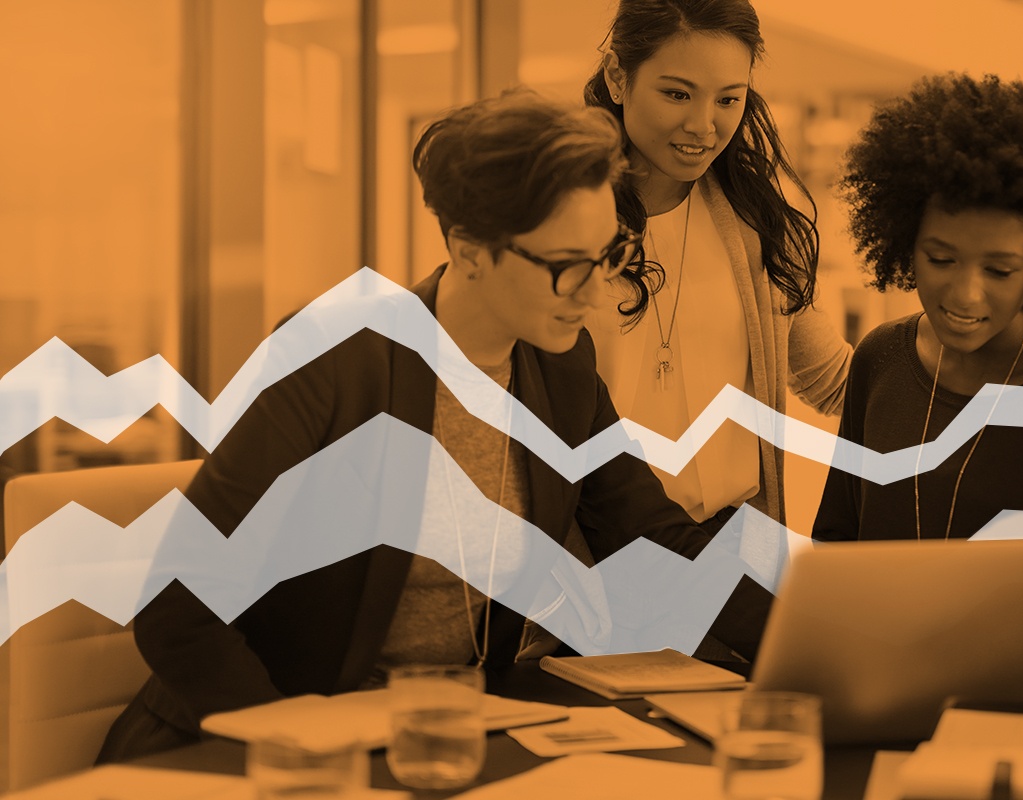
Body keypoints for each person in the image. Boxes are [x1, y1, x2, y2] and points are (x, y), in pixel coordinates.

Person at [96, 90, 772, 762]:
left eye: (607, 258)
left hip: (441, 740)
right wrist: (302, 751)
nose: (596, 295)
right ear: (470, 249)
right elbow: (177, 607)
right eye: (567, 268)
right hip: (260, 753)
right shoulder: (334, 360)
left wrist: (799, 637)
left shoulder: (559, 372)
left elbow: (651, 539)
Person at [813, 73, 1023, 544]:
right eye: (941, 259)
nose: (966, 294)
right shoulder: (880, 358)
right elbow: (835, 541)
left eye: (999, 271)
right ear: (905, 243)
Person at [581, 0, 852, 532]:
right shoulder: (563, 219)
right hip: (595, 551)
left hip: (732, 546)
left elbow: (834, 381)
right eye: (677, 94)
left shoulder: (753, 218)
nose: (703, 126)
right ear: (618, 76)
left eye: (729, 99)